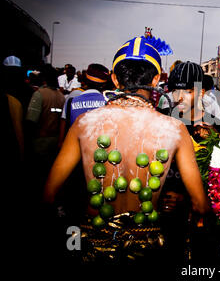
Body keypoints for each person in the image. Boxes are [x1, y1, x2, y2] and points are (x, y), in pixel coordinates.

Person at [43, 35, 209, 263]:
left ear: (114, 79)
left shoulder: (84, 123)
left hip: (93, 248)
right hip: (147, 249)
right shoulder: (175, 129)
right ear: (156, 80)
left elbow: (49, 195)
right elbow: (200, 203)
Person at [162, 61, 220, 263]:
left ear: (202, 91)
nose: (179, 98)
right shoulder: (161, 120)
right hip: (163, 213)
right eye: (175, 91)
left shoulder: (214, 125)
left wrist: (186, 198)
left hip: (198, 214)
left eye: (187, 91)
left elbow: (216, 176)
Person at [26, 64, 66, 193]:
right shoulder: (61, 96)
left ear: (43, 78)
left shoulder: (39, 94)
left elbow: (31, 120)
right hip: (55, 143)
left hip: (39, 143)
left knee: (37, 179)